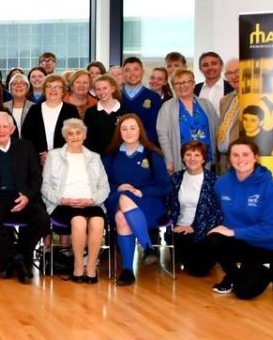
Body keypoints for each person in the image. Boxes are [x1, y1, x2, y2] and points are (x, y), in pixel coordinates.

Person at [208, 140, 273, 299]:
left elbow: (270, 230)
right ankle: (232, 275)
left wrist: (233, 232)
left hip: (269, 246)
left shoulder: (271, 187)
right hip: (243, 242)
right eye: (235, 155)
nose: (240, 160)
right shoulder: (222, 184)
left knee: (244, 292)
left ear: (255, 157)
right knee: (213, 239)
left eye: (245, 154)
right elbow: (215, 213)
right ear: (229, 158)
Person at [0, 112, 48, 283]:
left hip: (23, 196)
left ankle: (15, 258)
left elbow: (36, 177)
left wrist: (28, 196)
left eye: (5, 126)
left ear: (12, 129)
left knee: (43, 219)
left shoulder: (26, 147)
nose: (1, 130)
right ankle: (17, 259)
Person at [103, 114, 170, 286]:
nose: (128, 132)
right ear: (119, 132)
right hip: (117, 198)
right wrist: (116, 188)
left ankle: (127, 270)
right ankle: (147, 247)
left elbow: (165, 187)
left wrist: (141, 191)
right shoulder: (110, 156)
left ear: (140, 130)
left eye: (133, 128)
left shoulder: (153, 155)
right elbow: (102, 184)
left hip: (148, 201)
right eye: (124, 129)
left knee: (121, 217)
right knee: (124, 199)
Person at [40, 119, 108, 283]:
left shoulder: (94, 157)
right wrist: (62, 200)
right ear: (65, 137)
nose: (75, 137)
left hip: (90, 202)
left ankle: (91, 268)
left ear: (84, 136)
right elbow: (45, 186)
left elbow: (104, 187)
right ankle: (78, 266)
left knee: (98, 223)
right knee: (78, 222)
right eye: (70, 134)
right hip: (63, 203)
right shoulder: (54, 156)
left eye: (78, 133)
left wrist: (92, 201)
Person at [165, 141, 222, 277]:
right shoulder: (176, 178)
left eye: (197, 155)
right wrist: (172, 225)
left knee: (199, 271)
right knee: (182, 249)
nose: (192, 158)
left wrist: (194, 226)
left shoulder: (214, 180)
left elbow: (217, 212)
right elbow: (169, 205)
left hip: (204, 229)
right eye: (188, 154)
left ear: (203, 158)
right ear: (183, 158)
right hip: (180, 228)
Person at [157, 68, 221, 173]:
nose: (182, 86)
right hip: (181, 161)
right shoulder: (167, 107)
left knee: (205, 187)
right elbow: (163, 135)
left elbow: (216, 129)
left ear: (193, 84)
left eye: (186, 82)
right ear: (173, 87)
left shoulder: (206, 104)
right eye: (177, 83)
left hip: (206, 159)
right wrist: (169, 160)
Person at [21, 75, 80, 165]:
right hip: (39, 161)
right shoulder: (34, 109)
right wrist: (41, 155)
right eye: (49, 87)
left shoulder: (71, 110)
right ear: (44, 90)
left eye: (57, 87)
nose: (53, 90)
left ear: (63, 91)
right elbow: (27, 134)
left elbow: (77, 135)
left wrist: (57, 155)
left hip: (65, 160)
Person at [119, 57, 163, 144]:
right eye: (127, 70)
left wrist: (139, 145)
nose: (132, 74)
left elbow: (155, 128)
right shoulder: (115, 96)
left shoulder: (154, 98)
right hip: (120, 149)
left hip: (146, 147)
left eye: (136, 69)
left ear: (142, 71)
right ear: (123, 73)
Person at [83, 75, 123, 155]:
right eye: (98, 89)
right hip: (97, 158)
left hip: (120, 157)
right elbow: (87, 139)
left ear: (112, 89)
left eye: (105, 88)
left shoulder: (126, 111)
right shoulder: (90, 113)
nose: (102, 92)